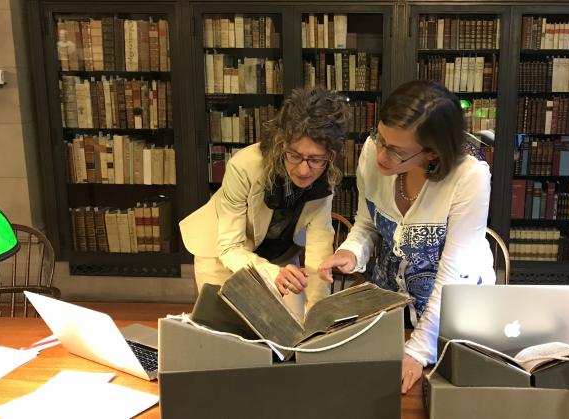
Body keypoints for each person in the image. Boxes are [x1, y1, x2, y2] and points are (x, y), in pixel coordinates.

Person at [318, 80, 496, 393]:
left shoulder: (470, 176)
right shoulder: (375, 150)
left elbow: (454, 272)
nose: (381, 155)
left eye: (396, 151)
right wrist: (350, 252)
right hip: (391, 304)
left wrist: (417, 350)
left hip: (450, 317)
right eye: (380, 138)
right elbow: (367, 222)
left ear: (432, 153)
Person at [180, 86, 349, 318]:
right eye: (295, 155)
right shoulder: (244, 167)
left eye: (315, 159)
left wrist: (317, 316)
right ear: (282, 143)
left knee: (293, 330)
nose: (303, 169)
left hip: (281, 258)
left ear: (331, 155)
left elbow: (319, 250)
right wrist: (271, 273)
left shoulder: (325, 176)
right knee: (227, 335)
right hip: (222, 258)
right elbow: (230, 248)